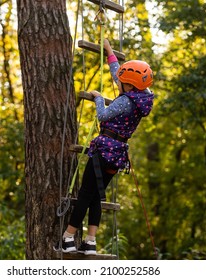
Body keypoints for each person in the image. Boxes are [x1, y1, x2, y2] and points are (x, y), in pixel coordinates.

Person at [61, 39, 154, 255]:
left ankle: (68, 238)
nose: (117, 80)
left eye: (121, 80)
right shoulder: (140, 96)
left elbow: (102, 114)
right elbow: (119, 74)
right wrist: (109, 51)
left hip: (104, 150)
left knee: (85, 193)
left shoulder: (124, 101)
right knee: (95, 195)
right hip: (118, 154)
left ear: (128, 85)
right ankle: (90, 242)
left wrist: (99, 98)